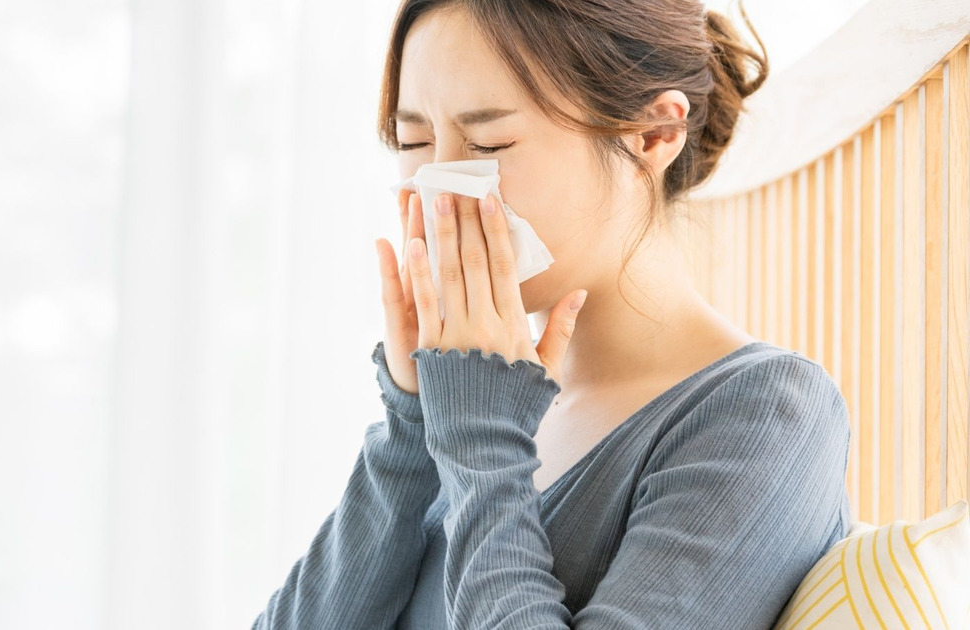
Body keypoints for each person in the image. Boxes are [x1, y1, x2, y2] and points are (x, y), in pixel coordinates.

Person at [252, 0, 851, 627]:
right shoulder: (474, 394)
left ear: (653, 133)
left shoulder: (767, 414)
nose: (441, 190)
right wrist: (414, 420)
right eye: (415, 141)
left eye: (490, 141)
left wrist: (480, 438)